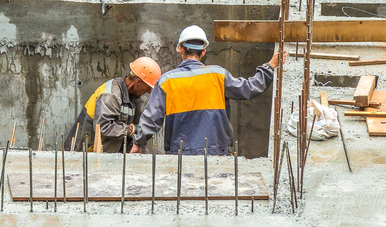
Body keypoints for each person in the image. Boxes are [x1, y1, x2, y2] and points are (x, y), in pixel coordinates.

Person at [132, 25, 283, 156]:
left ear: (180, 49)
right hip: (216, 152)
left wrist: (138, 143)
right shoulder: (218, 75)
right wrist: (269, 66)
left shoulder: (166, 81)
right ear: (203, 52)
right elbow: (249, 88)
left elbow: (152, 118)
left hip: (180, 154)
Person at [66, 57, 162, 153]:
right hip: (86, 152)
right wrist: (131, 129)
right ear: (137, 82)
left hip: (104, 155)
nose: (149, 92)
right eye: (148, 87)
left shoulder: (131, 98)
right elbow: (103, 128)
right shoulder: (111, 95)